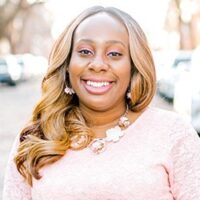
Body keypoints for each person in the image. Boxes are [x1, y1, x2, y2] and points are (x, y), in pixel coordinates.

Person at [3, 6, 200, 200]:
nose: (97, 65)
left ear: (133, 65)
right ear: (67, 64)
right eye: (85, 51)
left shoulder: (173, 134)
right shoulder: (34, 138)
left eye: (114, 54)